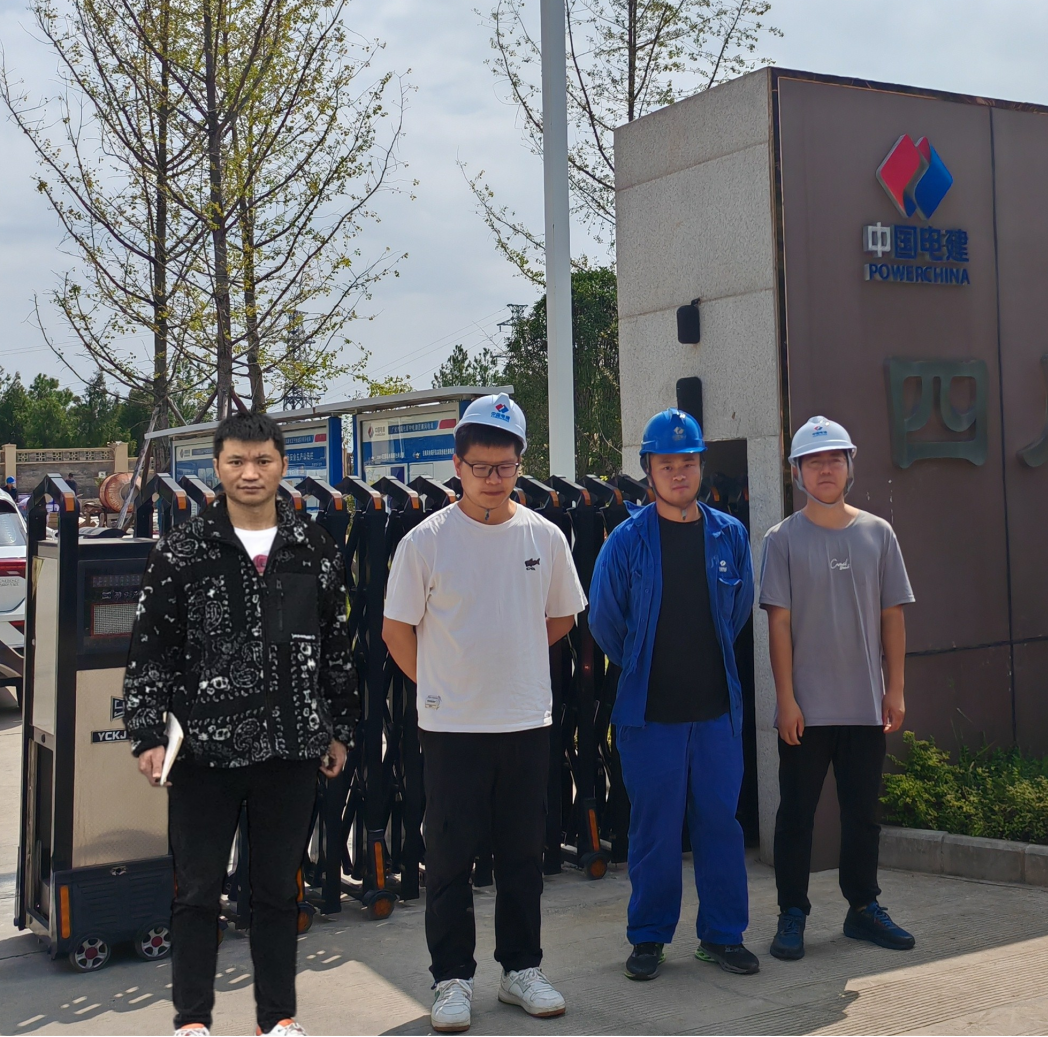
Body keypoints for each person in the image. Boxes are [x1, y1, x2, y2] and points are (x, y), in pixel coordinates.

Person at [123, 411, 357, 1037]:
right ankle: (192, 1022)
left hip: (291, 748)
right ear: (217, 467)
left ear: (282, 465)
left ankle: (276, 1019)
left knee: (279, 892)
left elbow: (335, 643)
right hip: (204, 752)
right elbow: (150, 649)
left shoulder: (313, 547)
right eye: (236, 461)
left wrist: (339, 727)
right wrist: (147, 735)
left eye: (262, 461)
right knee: (197, 893)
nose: (249, 473)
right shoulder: (182, 551)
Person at [382, 393, 586, 1033]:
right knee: (449, 860)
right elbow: (396, 631)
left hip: (525, 721)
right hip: (452, 728)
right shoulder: (426, 542)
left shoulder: (545, 536)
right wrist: (444, 682)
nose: (492, 479)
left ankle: (521, 969)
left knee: (524, 856)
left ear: (520, 465)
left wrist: (510, 661)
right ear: (457, 465)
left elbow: (561, 616)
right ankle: (452, 980)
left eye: (504, 467)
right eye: (480, 467)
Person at [588, 408, 758, 981]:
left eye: (687, 462)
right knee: (654, 832)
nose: (678, 472)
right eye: (667, 463)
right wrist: (642, 662)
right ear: (649, 469)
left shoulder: (729, 535)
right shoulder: (626, 542)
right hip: (649, 716)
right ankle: (649, 937)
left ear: (701, 466)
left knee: (721, 826)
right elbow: (605, 621)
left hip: (716, 715)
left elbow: (737, 613)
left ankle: (723, 935)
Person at [760, 416, 916, 961]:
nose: (824, 469)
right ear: (797, 472)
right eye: (813, 461)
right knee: (796, 816)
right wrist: (785, 699)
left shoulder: (878, 533)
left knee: (863, 815)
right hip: (805, 710)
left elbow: (892, 615)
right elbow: (778, 624)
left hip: (865, 705)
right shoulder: (781, 539)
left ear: (850, 466)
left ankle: (863, 908)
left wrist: (895, 689)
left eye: (834, 459)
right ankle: (792, 912)